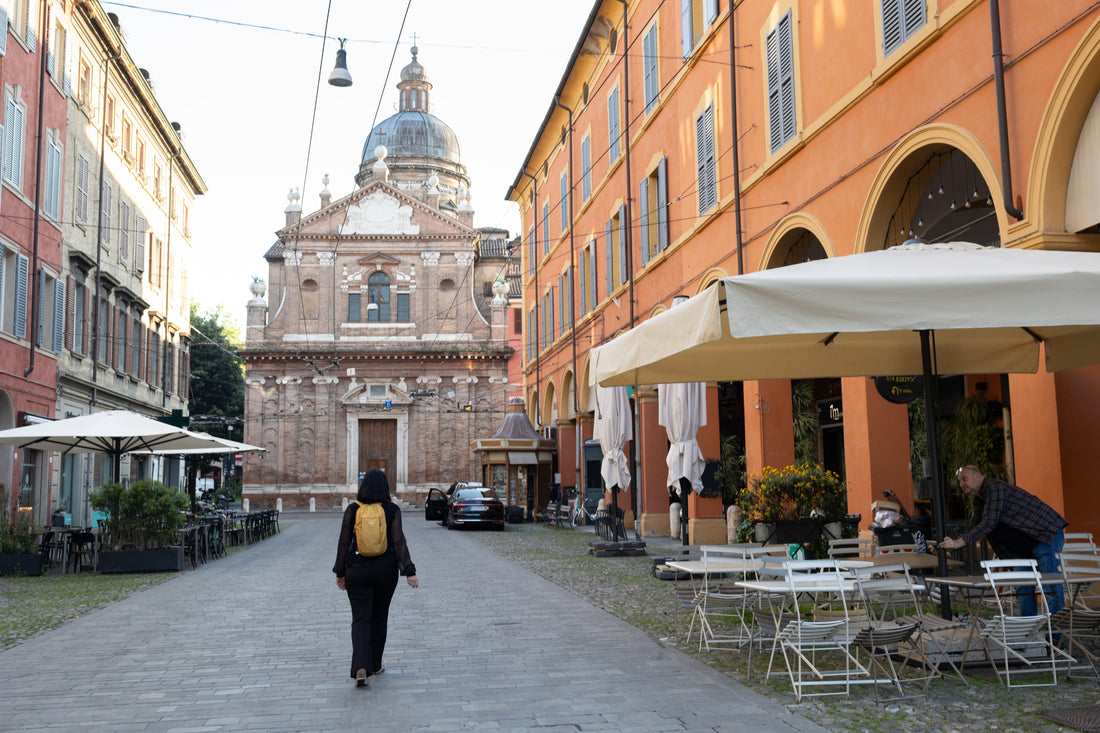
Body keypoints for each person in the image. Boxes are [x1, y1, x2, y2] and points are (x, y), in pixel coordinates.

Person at [940, 465, 1067, 615]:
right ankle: (1030, 631)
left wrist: (958, 543)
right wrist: (949, 545)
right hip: (1024, 548)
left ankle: (1059, 636)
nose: (961, 484)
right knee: (1022, 586)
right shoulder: (979, 500)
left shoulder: (995, 489)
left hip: (1044, 535)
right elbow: (973, 528)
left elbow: (988, 523)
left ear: (979, 477)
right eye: (960, 481)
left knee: (1050, 586)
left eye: (964, 479)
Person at [333, 469, 419, 687]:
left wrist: (340, 572)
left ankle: (361, 667)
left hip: (357, 571)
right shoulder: (391, 510)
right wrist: (409, 570)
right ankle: (376, 664)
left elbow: (343, 543)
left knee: (361, 619)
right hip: (385, 571)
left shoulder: (353, 510)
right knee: (379, 617)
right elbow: (399, 542)